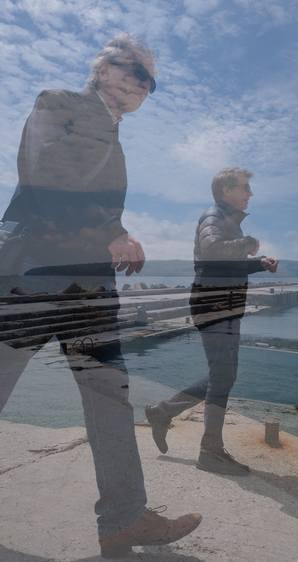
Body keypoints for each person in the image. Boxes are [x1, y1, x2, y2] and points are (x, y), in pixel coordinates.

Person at [0, 34, 201, 558]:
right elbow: (43, 174)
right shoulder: (59, 103)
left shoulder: (113, 137)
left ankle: (123, 520)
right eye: (135, 69)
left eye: (150, 80)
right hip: (34, 278)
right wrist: (112, 227)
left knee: (110, 398)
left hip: (87, 286)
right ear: (104, 67)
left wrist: (110, 234)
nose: (143, 83)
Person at [146, 167, 278, 476]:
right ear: (226, 191)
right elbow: (213, 250)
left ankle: (163, 412)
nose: (250, 194)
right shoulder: (214, 217)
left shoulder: (226, 220)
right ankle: (210, 451)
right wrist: (249, 243)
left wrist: (258, 264)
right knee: (223, 375)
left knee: (222, 375)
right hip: (216, 306)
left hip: (222, 306)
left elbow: (224, 265)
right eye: (245, 188)